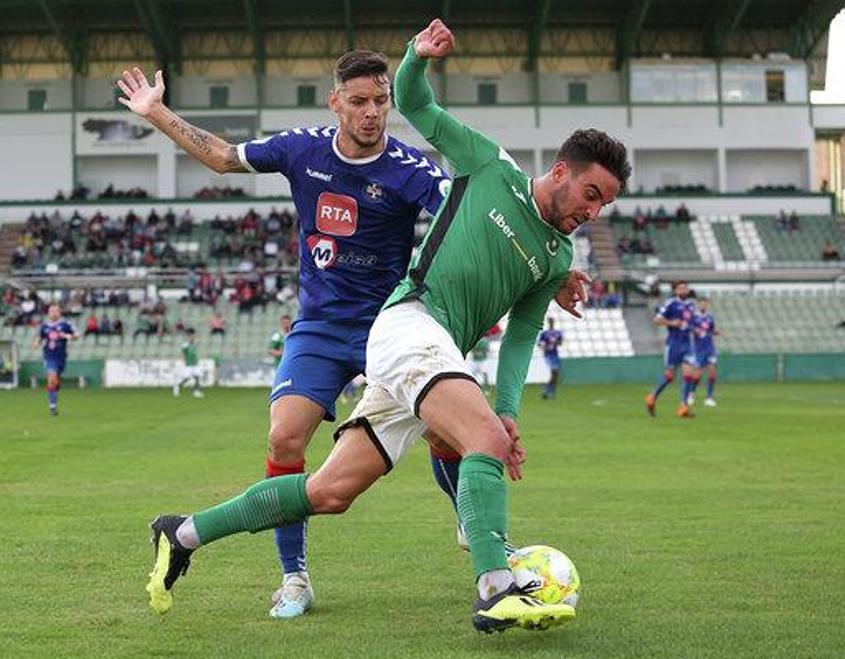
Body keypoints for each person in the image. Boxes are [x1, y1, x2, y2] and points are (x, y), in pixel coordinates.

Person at [144, 17, 630, 633]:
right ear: (561, 171)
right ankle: (494, 580)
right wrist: (416, 56)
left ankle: (181, 532)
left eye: (603, 205)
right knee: (472, 440)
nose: (592, 212)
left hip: (422, 346)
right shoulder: (491, 166)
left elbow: (524, 334)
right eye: (591, 194)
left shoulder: (558, 256)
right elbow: (417, 101)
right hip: (407, 324)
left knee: (329, 491)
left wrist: (509, 410)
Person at [118, 45, 453, 619]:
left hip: (391, 328)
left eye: (382, 101)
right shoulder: (302, 148)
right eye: (360, 101)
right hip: (321, 327)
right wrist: (158, 114)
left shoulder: (411, 169)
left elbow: (465, 216)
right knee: (283, 439)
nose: (373, 112)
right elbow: (223, 156)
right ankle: (294, 577)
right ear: (336, 103)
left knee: (448, 429)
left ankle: (482, 539)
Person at [645, 280, 697, 418]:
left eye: (685, 288)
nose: (683, 290)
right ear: (675, 291)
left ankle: (683, 407)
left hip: (687, 345)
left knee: (688, 375)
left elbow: (691, 322)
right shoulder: (670, 304)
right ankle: (652, 397)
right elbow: (657, 319)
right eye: (680, 288)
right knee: (669, 377)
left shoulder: (691, 305)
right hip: (673, 345)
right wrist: (671, 322)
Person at [32, 303, 78, 416]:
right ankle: (52, 406)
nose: (53, 313)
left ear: (59, 312)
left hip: (61, 357)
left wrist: (67, 336)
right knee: (52, 378)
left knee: (56, 381)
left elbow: (77, 335)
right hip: (49, 356)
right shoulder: (44, 326)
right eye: (51, 311)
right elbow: (39, 336)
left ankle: (54, 394)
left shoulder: (66, 324)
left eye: (55, 311)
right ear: (48, 313)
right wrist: (36, 343)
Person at [688, 296, 718, 407]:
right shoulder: (694, 317)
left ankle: (709, 398)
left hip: (710, 348)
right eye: (701, 303)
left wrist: (714, 332)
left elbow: (711, 329)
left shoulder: (710, 317)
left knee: (712, 374)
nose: (703, 305)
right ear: (698, 305)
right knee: (697, 376)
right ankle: (691, 393)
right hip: (698, 349)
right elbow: (689, 327)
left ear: (707, 304)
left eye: (705, 303)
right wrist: (695, 330)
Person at [173, 328, 204, 398]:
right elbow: (183, 353)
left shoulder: (194, 343)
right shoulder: (185, 344)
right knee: (187, 378)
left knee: (197, 377)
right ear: (189, 336)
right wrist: (184, 360)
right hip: (188, 364)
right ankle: (178, 386)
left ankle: (196, 391)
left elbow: (194, 352)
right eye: (192, 336)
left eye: (194, 335)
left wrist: (196, 358)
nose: (193, 337)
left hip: (195, 363)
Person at [538, 317, 563, 400]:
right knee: (553, 373)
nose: (551, 322)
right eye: (550, 321)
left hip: (555, 355)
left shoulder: (558, 333)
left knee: (556, 375)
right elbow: (539, 343)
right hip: (548, 355)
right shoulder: (545, 333)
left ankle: (551, 392)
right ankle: (546, 391)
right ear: (548, 322)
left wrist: (556, 342)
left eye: (552, 321)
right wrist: (544, 346)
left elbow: (560, 343)